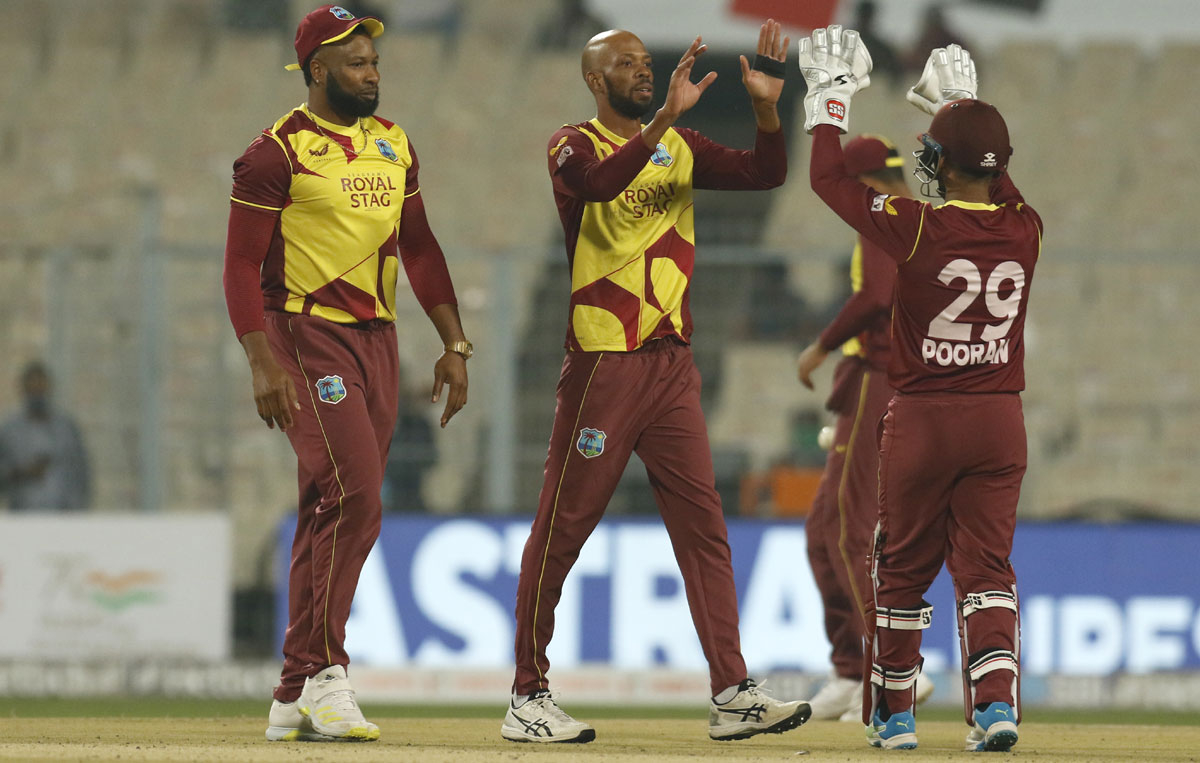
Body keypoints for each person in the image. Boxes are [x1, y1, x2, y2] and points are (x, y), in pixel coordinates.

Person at [502, 21, 810, 745]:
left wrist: (767, 109)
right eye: (626, 64)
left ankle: (731, 691)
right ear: (593, 78)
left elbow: (764, 174)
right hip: (604, 362)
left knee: (704, 527)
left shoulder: (678, 145)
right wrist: (667, 116)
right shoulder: (571, 145)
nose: (643, 72)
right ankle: (527, 693)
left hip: (671, 365)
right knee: (563, 527)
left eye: (646, 63)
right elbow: (603, 186)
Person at [222, 4, 471, 743]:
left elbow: (420, 247)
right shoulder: (276, 153)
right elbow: (239, 264)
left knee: (328, 507)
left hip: (377, 340)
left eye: (375, 62)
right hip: (304, 336)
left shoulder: (394, 144)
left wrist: (455, 342)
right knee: (358, 496)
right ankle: (328, 676)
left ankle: (290, 689)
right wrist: (260, 357)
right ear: (318, 70)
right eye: (357, 63)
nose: (372, 73)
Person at [800, 27, 1038, 752]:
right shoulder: (1026, 228)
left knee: (900, 567)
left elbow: (828, 181)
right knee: (988, 570)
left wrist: (829, 102)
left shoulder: (914, 227)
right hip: (999, 421)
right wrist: (965, 107)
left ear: (940, 164)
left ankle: (896, 715)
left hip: (925, 416)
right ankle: (995, 708)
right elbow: (998, 178)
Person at [795, 134, 931, 722]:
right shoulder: (922, 218)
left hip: (880, 375)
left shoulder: (885, 220)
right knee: (824, 529)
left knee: (852, 531)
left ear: (867, 181)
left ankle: (893, 672)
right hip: (885, 377)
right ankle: (853, 670)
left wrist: (819, 347)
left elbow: (876, 293)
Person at [0, 361, 90, 512]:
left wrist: (78, 509)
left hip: (62, 515)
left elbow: (81, 472)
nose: (37, 393)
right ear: (23, 389)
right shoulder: (9, 430)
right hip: (23, 515)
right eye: (32, 388)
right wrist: (22, 472)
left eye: (41, 387)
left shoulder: (66, 428)